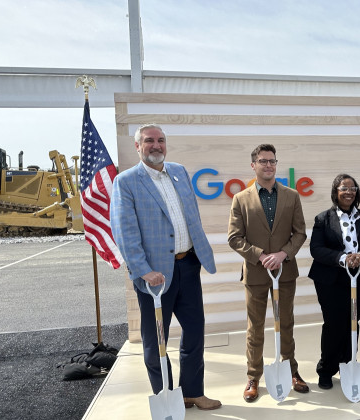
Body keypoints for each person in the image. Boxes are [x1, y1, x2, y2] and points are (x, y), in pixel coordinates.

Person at [110, 123, 221, 410]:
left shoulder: (179, 172)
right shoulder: (127, 181)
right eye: (149, 141)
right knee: (156, 340)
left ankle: (192, 392)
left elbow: (190, 215)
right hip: (154, 277)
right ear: (138, 146)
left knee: (195, 331)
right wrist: (143, 269)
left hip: (188, 266)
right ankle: (167, 396)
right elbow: (124, 230)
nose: (156, 145)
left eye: (160, 140)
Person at [227, 144, 309, 402]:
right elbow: (234, 237)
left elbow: (300, 233)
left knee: (286, 323)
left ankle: (291, 371)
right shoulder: (241, 198)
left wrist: (283, 254)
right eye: (263, 161)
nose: (269, 165)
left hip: (285, 272)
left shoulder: (291, 196)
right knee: (256, 327)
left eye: (272, 161)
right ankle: (253, 376)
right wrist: (261, 256)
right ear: (253, 165)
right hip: (256, 273)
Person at [308, 174, 360, 390]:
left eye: (353, 188)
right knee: (334, 324)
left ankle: (348, 364)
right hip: (331, 279)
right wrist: (343, 258)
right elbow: (316, 249)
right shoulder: (323, 219)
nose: (349, 192)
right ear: (335, 191)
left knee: (352, 321)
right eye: (344, 188)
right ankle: (326, 370)